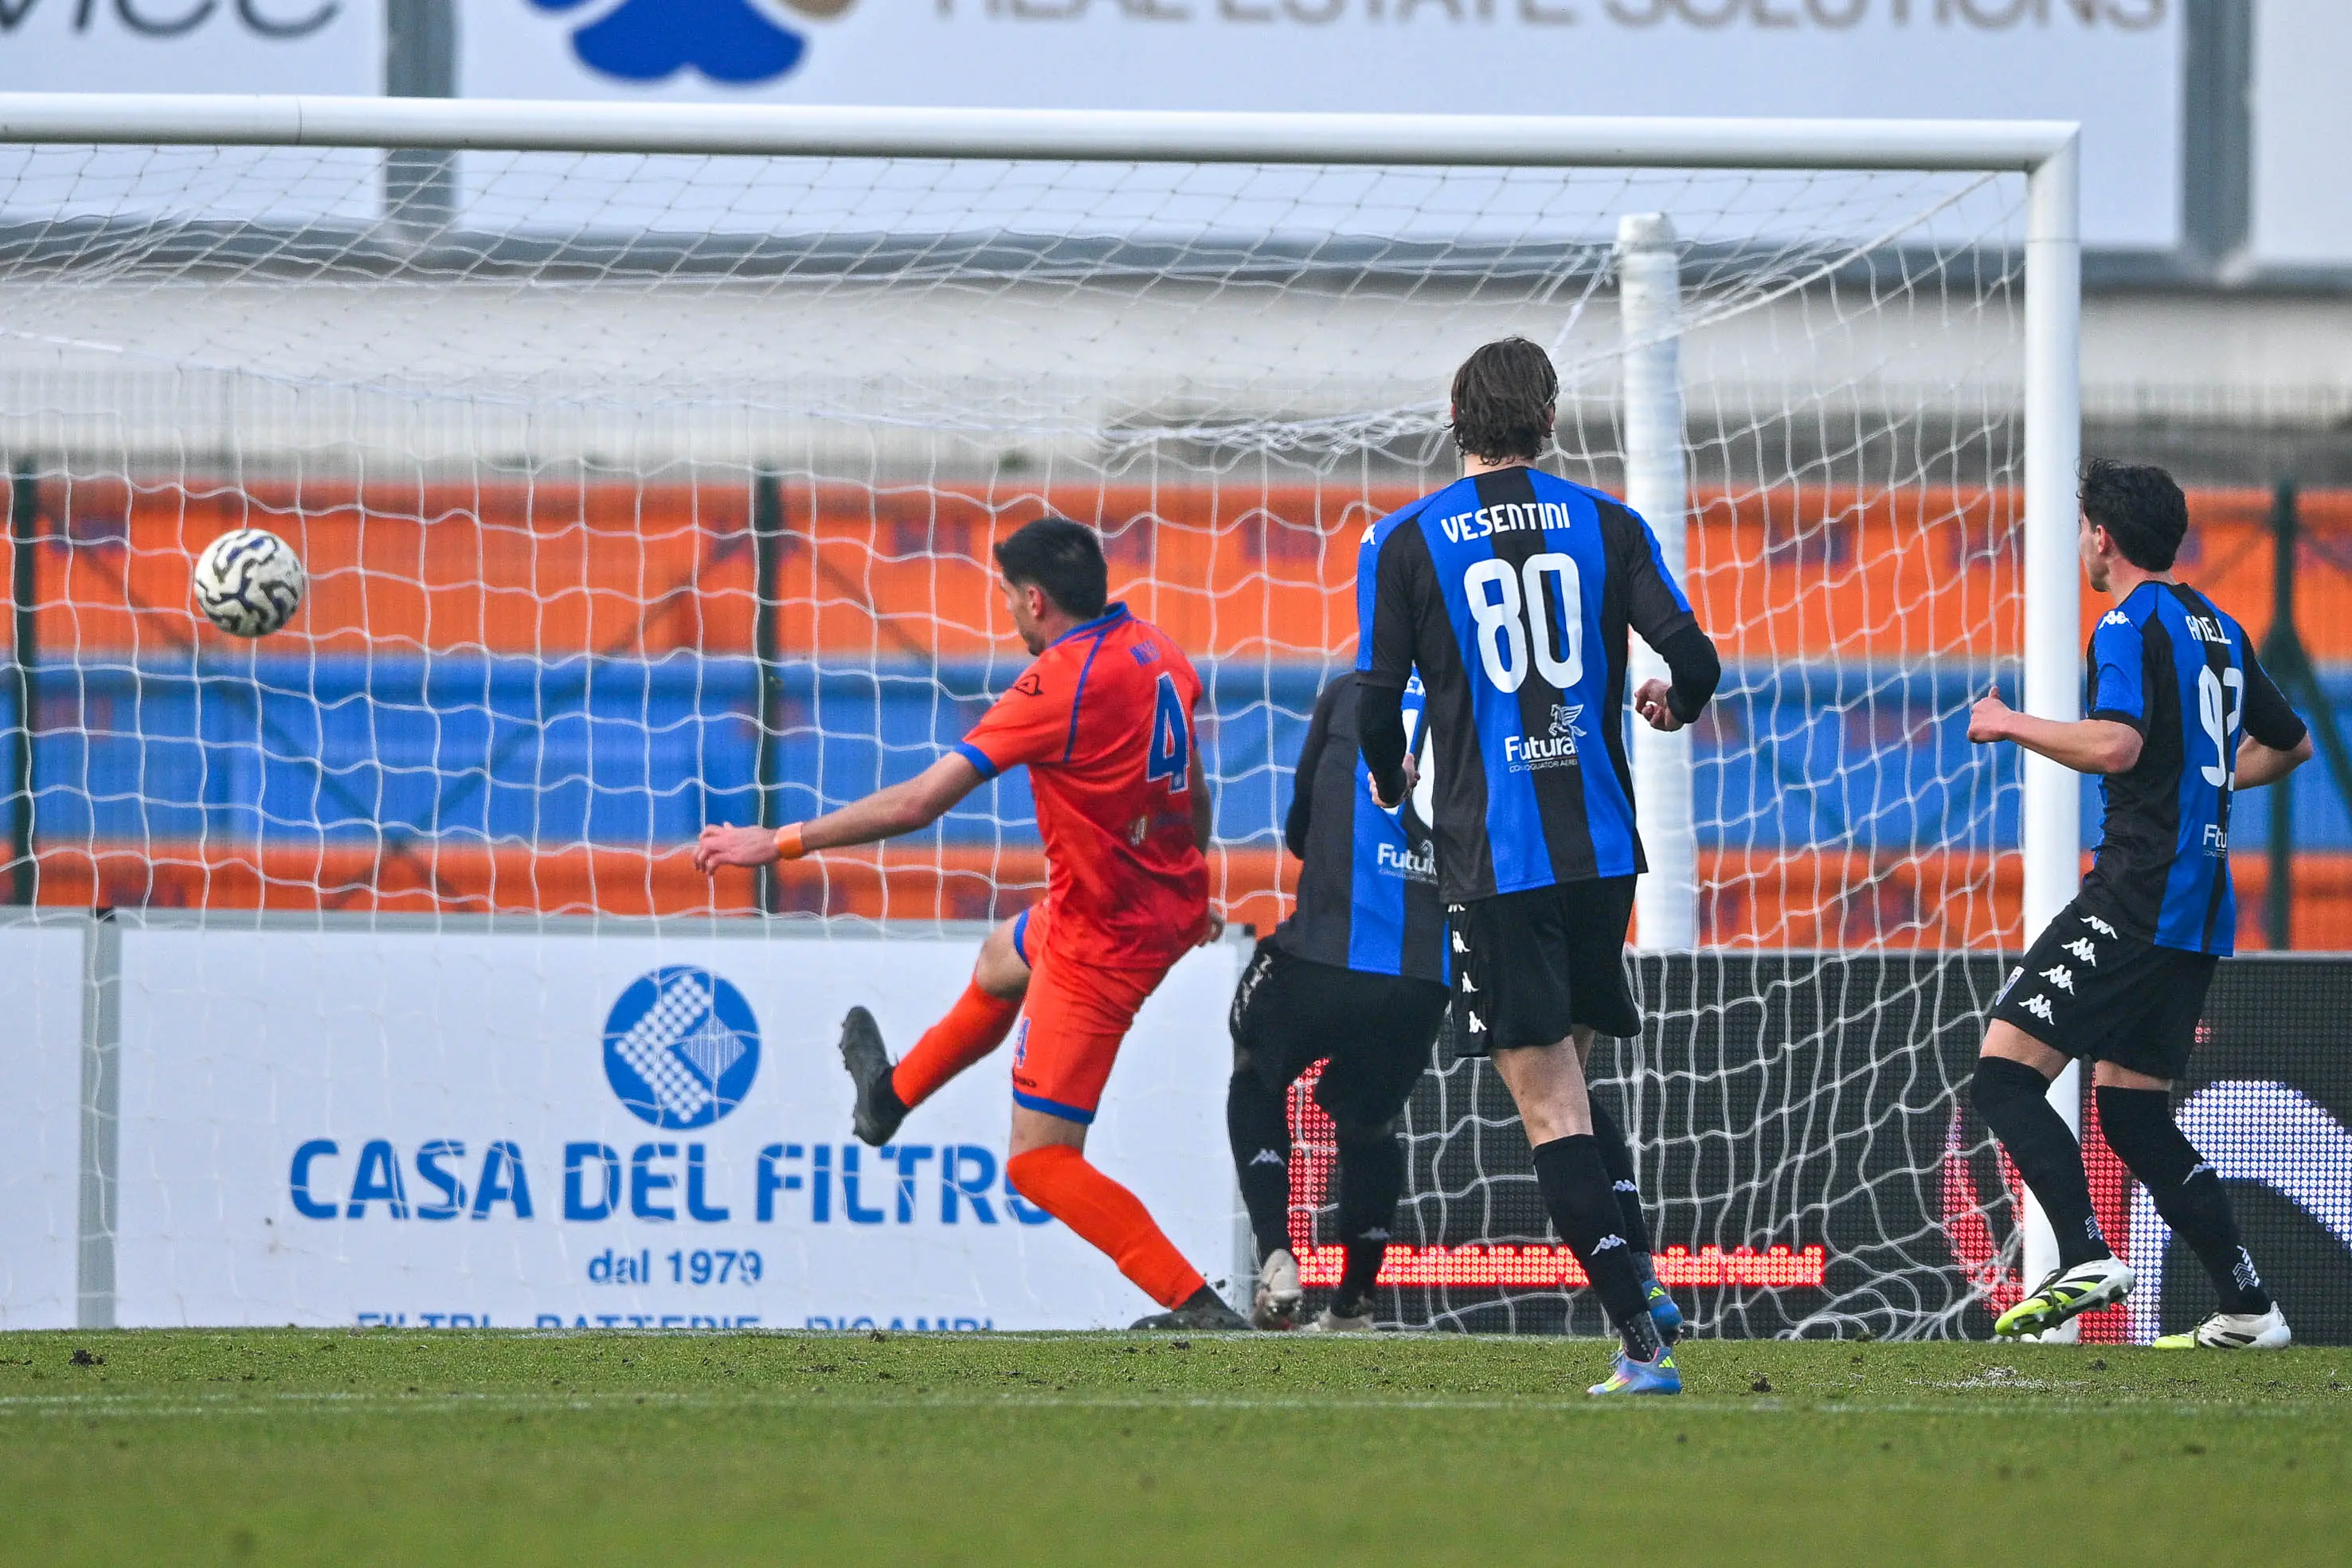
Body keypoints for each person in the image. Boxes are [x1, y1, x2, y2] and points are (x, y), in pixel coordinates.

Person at [695, 514, 1248, 1331]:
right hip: (1153, 897)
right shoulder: (1156, 648)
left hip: (1102, 939)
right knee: (998, 962)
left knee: (1040, 1160)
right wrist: (1188, 882)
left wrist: (774, 841)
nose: (1007, 615)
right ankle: (887, 1100)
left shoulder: (1057, 681)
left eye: (1006, 599)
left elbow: (920, 801)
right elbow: (1193, 790)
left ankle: (1194, 1304)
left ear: (1034, 600)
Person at [1355, 337, 1720, 1394]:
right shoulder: (1610, 525)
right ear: (1549, 417)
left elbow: (1379, 705)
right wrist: (1673, 704)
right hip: (1602, 850)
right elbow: (1692, 660)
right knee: (1572, 1074)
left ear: (1456, 419)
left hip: (1495, 857)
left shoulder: (1407, 540)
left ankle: (1641, 1346)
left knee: (1547, 1104)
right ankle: (1642, 1282)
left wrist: (1387, 780)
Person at [1967, 458, 2311, 1349]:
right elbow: (2293, 744)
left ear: (2103, 538)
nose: (2081, 541)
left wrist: (2011, 724)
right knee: (2128, 1110)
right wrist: (2204, 785)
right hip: (2198, 911)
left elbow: (2118, 745)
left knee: (2002, 1077)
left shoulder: (2127, 622)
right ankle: (2248, 1306)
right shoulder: (2220, 626)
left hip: (2135, 893)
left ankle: (2083, 1251)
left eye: (2082, 526)